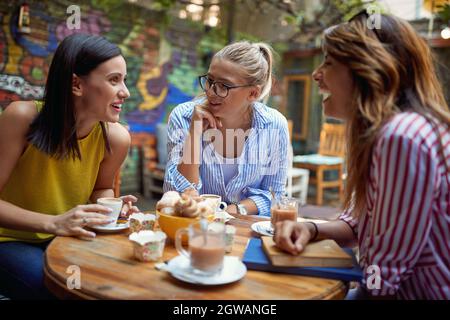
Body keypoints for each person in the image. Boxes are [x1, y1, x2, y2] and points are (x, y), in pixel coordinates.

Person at [274, 11, 450, 299]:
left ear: (369, 68)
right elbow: (358, 224)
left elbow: (382, 276)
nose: (316, 74)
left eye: (329, 63)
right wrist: (309, 228)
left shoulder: (401, 136)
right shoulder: (382, 133)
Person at [0, 34, 139, 299]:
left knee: (113, 277)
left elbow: (101, 188)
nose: (125, 92)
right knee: (53, 286)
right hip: (9, 239)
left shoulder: (116, 138)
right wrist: (53, 223)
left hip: (66, 236)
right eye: (114, 80)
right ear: (77, 84)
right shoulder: (22, 118)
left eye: (124, 80)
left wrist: (112, 207)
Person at [164, 41, 289, 216]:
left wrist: (232, 210)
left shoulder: (274, 125)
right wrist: (194, 132)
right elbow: (178, 194)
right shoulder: (183, 116)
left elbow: (275, 195)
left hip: (245, 230)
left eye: (224, 86)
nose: (211, 91)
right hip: (193, 228)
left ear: (253, 93)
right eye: (210, 80)